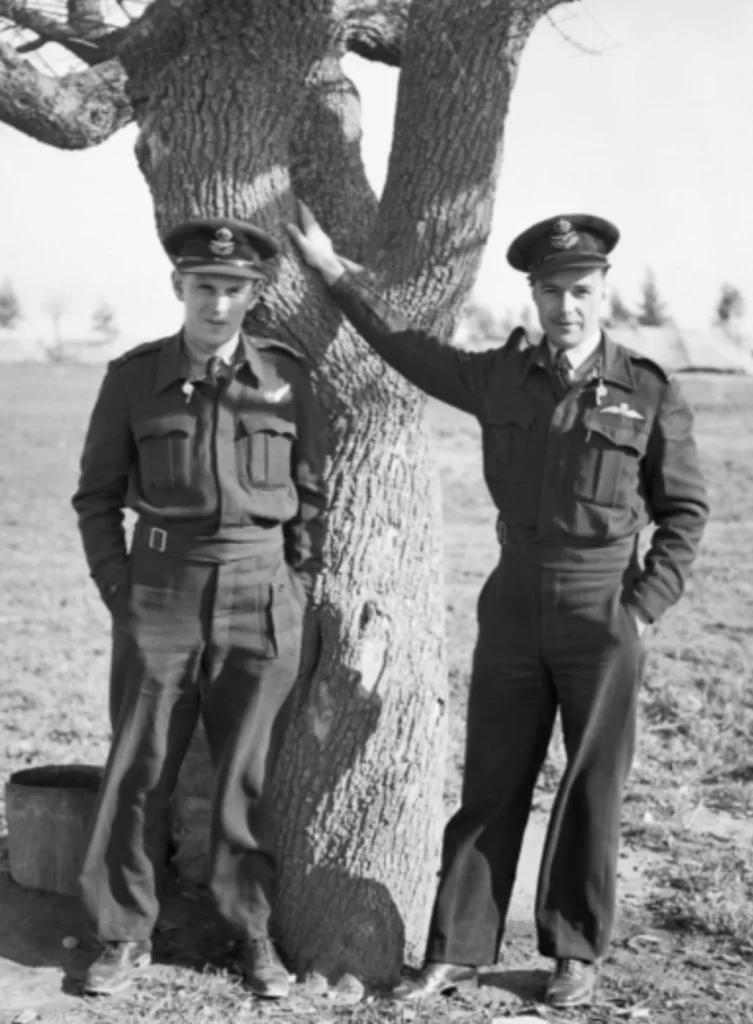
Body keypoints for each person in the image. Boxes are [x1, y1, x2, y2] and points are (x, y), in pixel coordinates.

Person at [288, 207, 708, 1008]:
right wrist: (331, 269)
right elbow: (404, 347)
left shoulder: (646, 389)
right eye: (551, 293)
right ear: (533, 297)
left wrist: (643, 607)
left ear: (602, 291)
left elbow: (683, 512)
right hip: (514, 599)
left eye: (580, 290)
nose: (566, 308)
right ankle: (455, 950)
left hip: (601, 607)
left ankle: (573, 953)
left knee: (591, 787)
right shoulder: (498, 377)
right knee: (491, 780)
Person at [72, 217, 327, 999]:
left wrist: (294, 582)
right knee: (140, 767)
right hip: (161, 591)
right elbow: (96, 498)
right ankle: (121, 934)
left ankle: (250, 935)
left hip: (259, 595)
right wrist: (125, 590)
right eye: (204, 287)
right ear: (179, 288)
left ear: (254, 296)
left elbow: (311, 495)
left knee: (243, 777)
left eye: (233, 290)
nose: (217, 304)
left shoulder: (286, 377)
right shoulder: (133, 377)